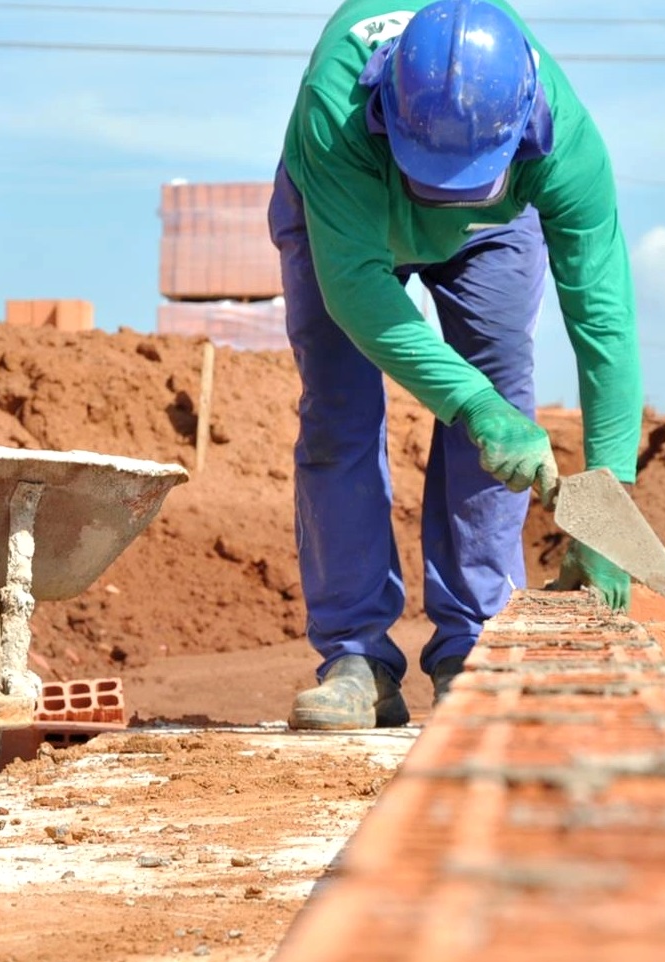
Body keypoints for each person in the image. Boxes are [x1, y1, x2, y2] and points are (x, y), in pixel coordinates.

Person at [269, 0, 643, 731]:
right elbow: (355, 293)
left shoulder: (564, 142)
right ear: (386, 113)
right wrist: (473, 406)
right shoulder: (335, 109)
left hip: (495, 230)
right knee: (339, 415)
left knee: (504, 399)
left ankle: (473, 648)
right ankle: (357, 659)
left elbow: (604, 323)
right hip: (342, 208)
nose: (435, 197)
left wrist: (607, 513)